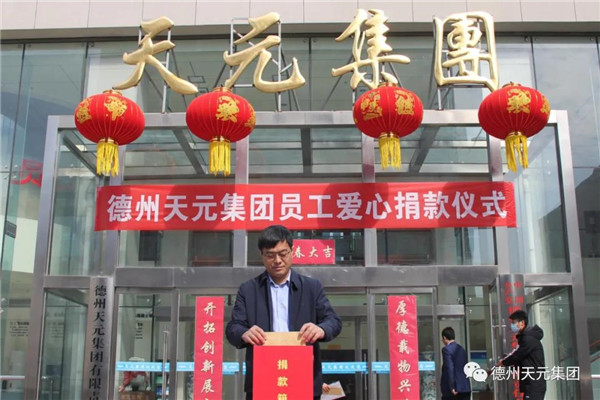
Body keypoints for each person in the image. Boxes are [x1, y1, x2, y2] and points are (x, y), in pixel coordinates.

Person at [226, 225, 342, 400]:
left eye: (283, 253)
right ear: (262, 255)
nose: (277, 260)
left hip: (303, 377)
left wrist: (321, 329)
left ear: (292, 252)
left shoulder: (311, 288)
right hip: (262, 379)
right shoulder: (249, 290)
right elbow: (233, 328)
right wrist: (244, 333)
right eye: (270, 255)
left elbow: (333, 321)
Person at [498, 310, 546, 400]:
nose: (512, 325)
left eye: (514, 323)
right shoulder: (526, 337)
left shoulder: (528, 339)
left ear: (522, 323)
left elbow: (517, 356)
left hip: (534, 384)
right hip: (532, 383)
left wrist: (503, 363)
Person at [440, 327, 471, 399]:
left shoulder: (446, 350)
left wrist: (452, 386)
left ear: (444, 338)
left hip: (453, 390)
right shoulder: (461, 349)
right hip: (465, 387)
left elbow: (449, 368)